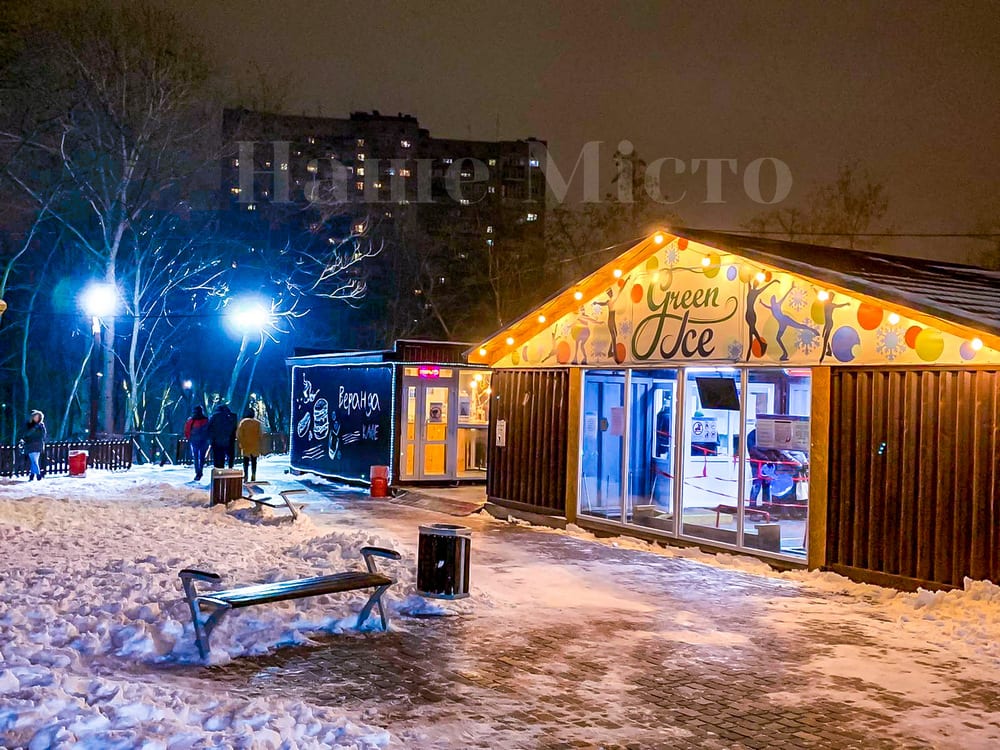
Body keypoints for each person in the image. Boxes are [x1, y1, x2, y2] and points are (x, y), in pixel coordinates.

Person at [236, 407, 263, 482]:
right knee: (254, 461)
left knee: (245, 461)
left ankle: (246, 475)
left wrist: (241, 442)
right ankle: (253, 475)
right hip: (255, 445)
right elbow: (260, 434)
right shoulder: (257, 423)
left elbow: (239, 434)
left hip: (246, 445)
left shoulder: (243, 422)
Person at [184, 405, 210, 481]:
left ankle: (197, 472)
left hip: (194, 441)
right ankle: (200, 471)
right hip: (204, 441)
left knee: (195, 457)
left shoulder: (191, 421)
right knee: (202, 457)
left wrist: (189, 438)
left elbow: (187, 430)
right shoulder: (206, 420)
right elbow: (209, 430)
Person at [208, 403, 238, 469]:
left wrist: (211, 438)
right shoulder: (232, 416)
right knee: (230, 456)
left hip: (216, 441)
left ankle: (218, 472)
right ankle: (229, 468)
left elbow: (209, 428)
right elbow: (234, 428)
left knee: (218, 458)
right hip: (228, 441)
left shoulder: (214, 417)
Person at [20, 410, 46, 481]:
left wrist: (40, 428)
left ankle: (32, 475)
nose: (37, 418)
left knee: (34, 461)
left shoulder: (41, 425)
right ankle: (38, 475)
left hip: (38, 445)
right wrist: (34, 428)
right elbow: (26, 434)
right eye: (35, 417)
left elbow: (44, 435)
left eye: (38, 417)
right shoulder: (29, 424)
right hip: (30, 444)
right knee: (34, 461)